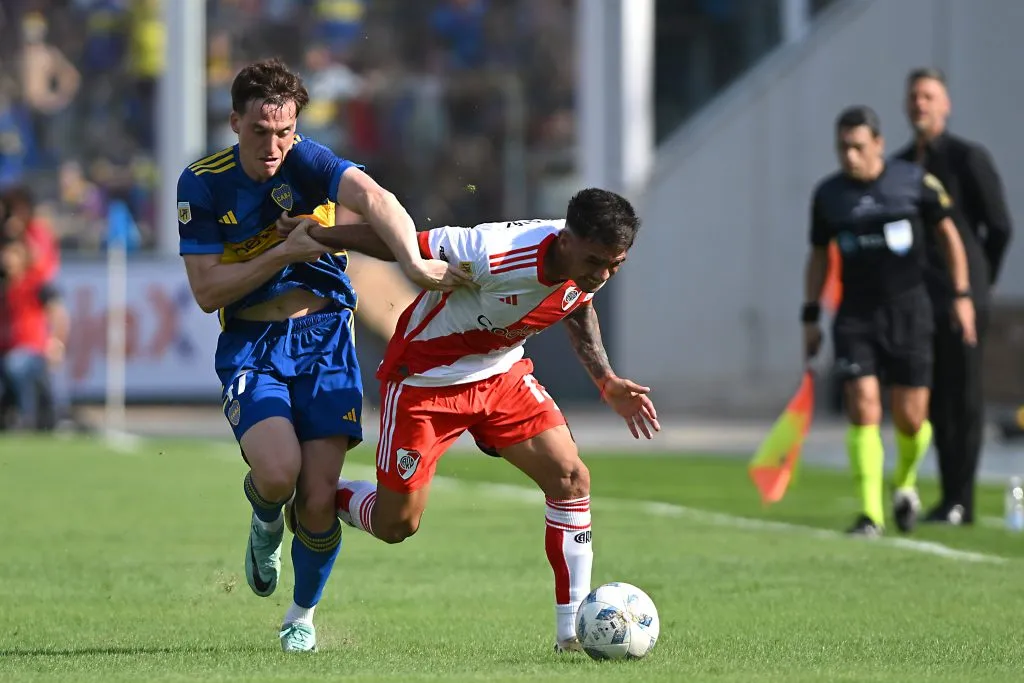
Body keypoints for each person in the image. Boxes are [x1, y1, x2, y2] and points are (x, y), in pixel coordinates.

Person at [276, 188, 661, 653]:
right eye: (596, 261)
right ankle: (321, 499)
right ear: (568, 238)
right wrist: (320, 234)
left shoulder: (584, 271)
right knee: (397, 525)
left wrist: (606, 379)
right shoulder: (493, 252)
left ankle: (571, 636)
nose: (602, 275)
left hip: (501, 374)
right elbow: (403, 242)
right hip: (425, 380)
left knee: (571, 477)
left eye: (614, 265)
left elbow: (576, 300)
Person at [176, 58, 470, 653]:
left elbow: (378, 199)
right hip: (253, 345)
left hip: (327, 341)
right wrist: (284, 254)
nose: (274, 145)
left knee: (318, 496)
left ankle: (300, 617)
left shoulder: (309, 161)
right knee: (279, 476)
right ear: (234, 122)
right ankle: (263, 520)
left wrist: (412, 263)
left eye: (285, 131)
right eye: (261, 131)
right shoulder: (202, 181)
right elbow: (207, 292)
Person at [802, 105, 975, 537]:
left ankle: (905, 484)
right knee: (863, 407)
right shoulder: (828, 196)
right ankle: (870, 515)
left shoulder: (913, 181)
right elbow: (820, 256)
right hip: (855, 316)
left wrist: (962, 294)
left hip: (910, 313)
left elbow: (950, 236)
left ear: (878, 144)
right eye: (843, 147)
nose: (850, 155)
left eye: (858, 146)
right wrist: (810, 314)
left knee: (911, 419)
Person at [894, 68, 1014, 526]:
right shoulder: (902, 165)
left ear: (945, 105)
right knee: (935, 398)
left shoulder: (967, 158)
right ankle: (946, 498)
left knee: (963, 397)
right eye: (914, 97)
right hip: (918, 301)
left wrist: (982, 282)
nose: (920, 104)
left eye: (929, 96)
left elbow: (999, 226)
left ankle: (962, 500)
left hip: (962, 299)